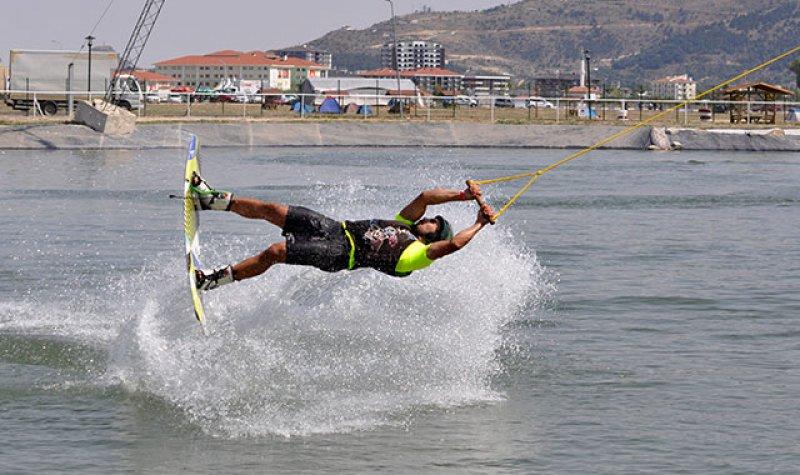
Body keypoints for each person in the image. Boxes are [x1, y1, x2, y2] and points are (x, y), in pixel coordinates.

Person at [190, 174, 491, 291]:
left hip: (340, 255)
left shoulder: (416, 256)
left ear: (432, 237)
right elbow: (426, 196)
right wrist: (462, 197)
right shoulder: (404, 223)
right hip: (335, 227)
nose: (427, 221)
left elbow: (454, 245)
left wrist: (478, 222)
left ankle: (215, 280)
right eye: (430, 220)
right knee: (274, 210)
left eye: (433, 224)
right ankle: (211, 200)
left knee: (275, 252)